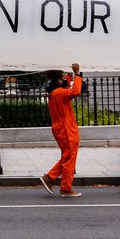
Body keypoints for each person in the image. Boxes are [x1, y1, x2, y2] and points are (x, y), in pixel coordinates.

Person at [40, 63, 84, 198]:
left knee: (67, 156)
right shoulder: (60, 93)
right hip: (66, 128)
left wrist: (69, 78)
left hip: (61, 128)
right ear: (58, 80)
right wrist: (76, 74)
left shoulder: (54, 92)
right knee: (69, 157)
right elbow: (75, 91)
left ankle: (50, 178)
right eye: (62, 77)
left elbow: (66, 86)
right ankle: (62, 186)